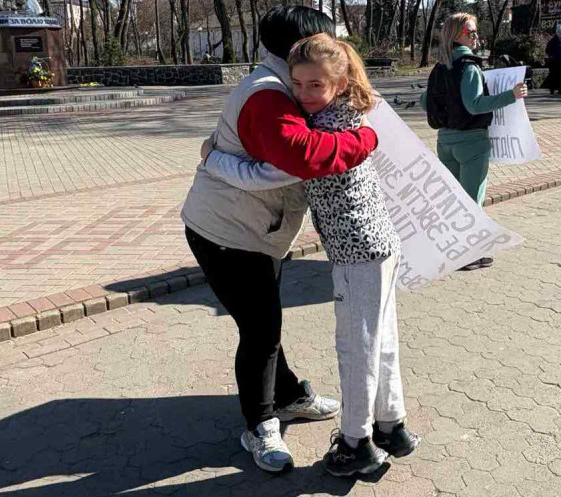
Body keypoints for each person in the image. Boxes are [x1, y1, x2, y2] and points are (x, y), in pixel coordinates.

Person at [199, 33, 421, 477]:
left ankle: (357, 443)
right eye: (297, 84)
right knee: (382, 342)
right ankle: (391, 425)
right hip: (377, 246)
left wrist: (212, 159)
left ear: (338, 83)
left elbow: (264, 172)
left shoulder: (321, 130)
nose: (303, 95)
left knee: (356, 349)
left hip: (358, 252)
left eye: (315, 85)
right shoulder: (347, 111)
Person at [421, 13, 527, 271]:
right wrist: (510, 95)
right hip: (471, 143)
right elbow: (475, 104)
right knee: (472, 202)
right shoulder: (469, 66)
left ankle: (451, 249)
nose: (476, 37)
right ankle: (468, 255)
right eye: (471, 32)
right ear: (457, 35)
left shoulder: (439, 67)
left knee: (454, 200)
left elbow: (426, 101)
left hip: (445, 140)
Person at [546, 24, 561, 95]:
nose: (560, 33)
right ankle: (552, 90)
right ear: (556, 32)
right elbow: (547, 50)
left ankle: (560, 90)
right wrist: (551, 56)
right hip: (554, 61)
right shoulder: (552, 41)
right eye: (559, 31)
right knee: (553, 75)